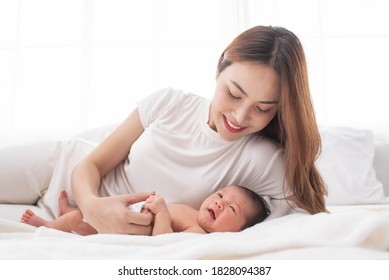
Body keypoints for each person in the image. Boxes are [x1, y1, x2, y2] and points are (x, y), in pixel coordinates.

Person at [0, 25, 327, 235]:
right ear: (219, 69)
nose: (240, 116)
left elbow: (299, 218)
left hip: (79, 223)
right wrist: (91, 205)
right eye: (234, 93)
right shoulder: (171, 102)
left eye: (263, 108)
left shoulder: (265, 160)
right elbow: (92, 164)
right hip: (60, 167)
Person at [21, 185, 270, 235]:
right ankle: (68, 215)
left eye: (231, 209)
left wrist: (161, 213)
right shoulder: (193, 211)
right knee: (80, 216)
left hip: (123, 232)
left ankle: (48, 226)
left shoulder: (197, 233)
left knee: (79, 220)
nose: (218, 203)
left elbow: (164, 243)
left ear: (237, 231)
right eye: (220, 195)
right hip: (123, 219)